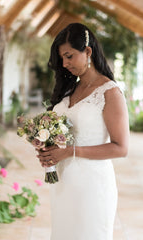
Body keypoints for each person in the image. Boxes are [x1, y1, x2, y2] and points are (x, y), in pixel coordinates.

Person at [37, 23, 129, 240]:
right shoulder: (70, 88)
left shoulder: (110, 92)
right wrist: (47, 147)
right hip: (63, 184)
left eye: (69, 56)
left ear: (87, 51)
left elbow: (121, 148)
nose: (64, 63)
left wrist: (69, 151)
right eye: (62, 58)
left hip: (92, 187)